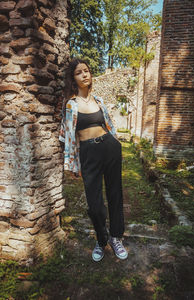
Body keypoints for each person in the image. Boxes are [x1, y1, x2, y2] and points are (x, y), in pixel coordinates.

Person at [59, 58, 128, 262]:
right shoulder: (71, 104)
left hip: (109, 147)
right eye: (79, 72)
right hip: (88, 153)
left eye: (87, 71)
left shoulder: (99, 100)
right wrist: (71, 163)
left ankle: (116, 238)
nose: (84, 74)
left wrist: (116, 143)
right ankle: (101, 239)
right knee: (94, 203)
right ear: (73, 78)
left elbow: (110, 125)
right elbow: (68, 136)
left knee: (116, 195)